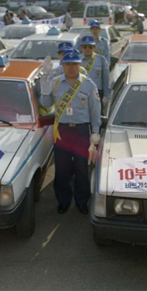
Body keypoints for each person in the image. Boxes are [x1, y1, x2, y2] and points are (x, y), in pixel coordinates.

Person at [40, 50, 101, 215]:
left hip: (81, 131)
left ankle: (82, 201)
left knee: (82, 169)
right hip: (62, 131)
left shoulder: (88, 84)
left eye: (74, 63)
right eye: (67, 64)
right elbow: (46, 104)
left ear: (79, 64)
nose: (71, 67)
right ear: (62, 65)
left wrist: (95, 133)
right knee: (61, 169)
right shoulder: (56, 82)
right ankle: (64, 201)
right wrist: (44, 85)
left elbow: (95, 111)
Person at [80, 36, 110, 108]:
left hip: (97, 93)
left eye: (90, 47)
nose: (87, 49)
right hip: (80, 93)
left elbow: (106, 79)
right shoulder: (77, 60)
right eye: (85, 47)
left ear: (94, 48)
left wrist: (106, 95)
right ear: (81, 47)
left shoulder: (101, 59)